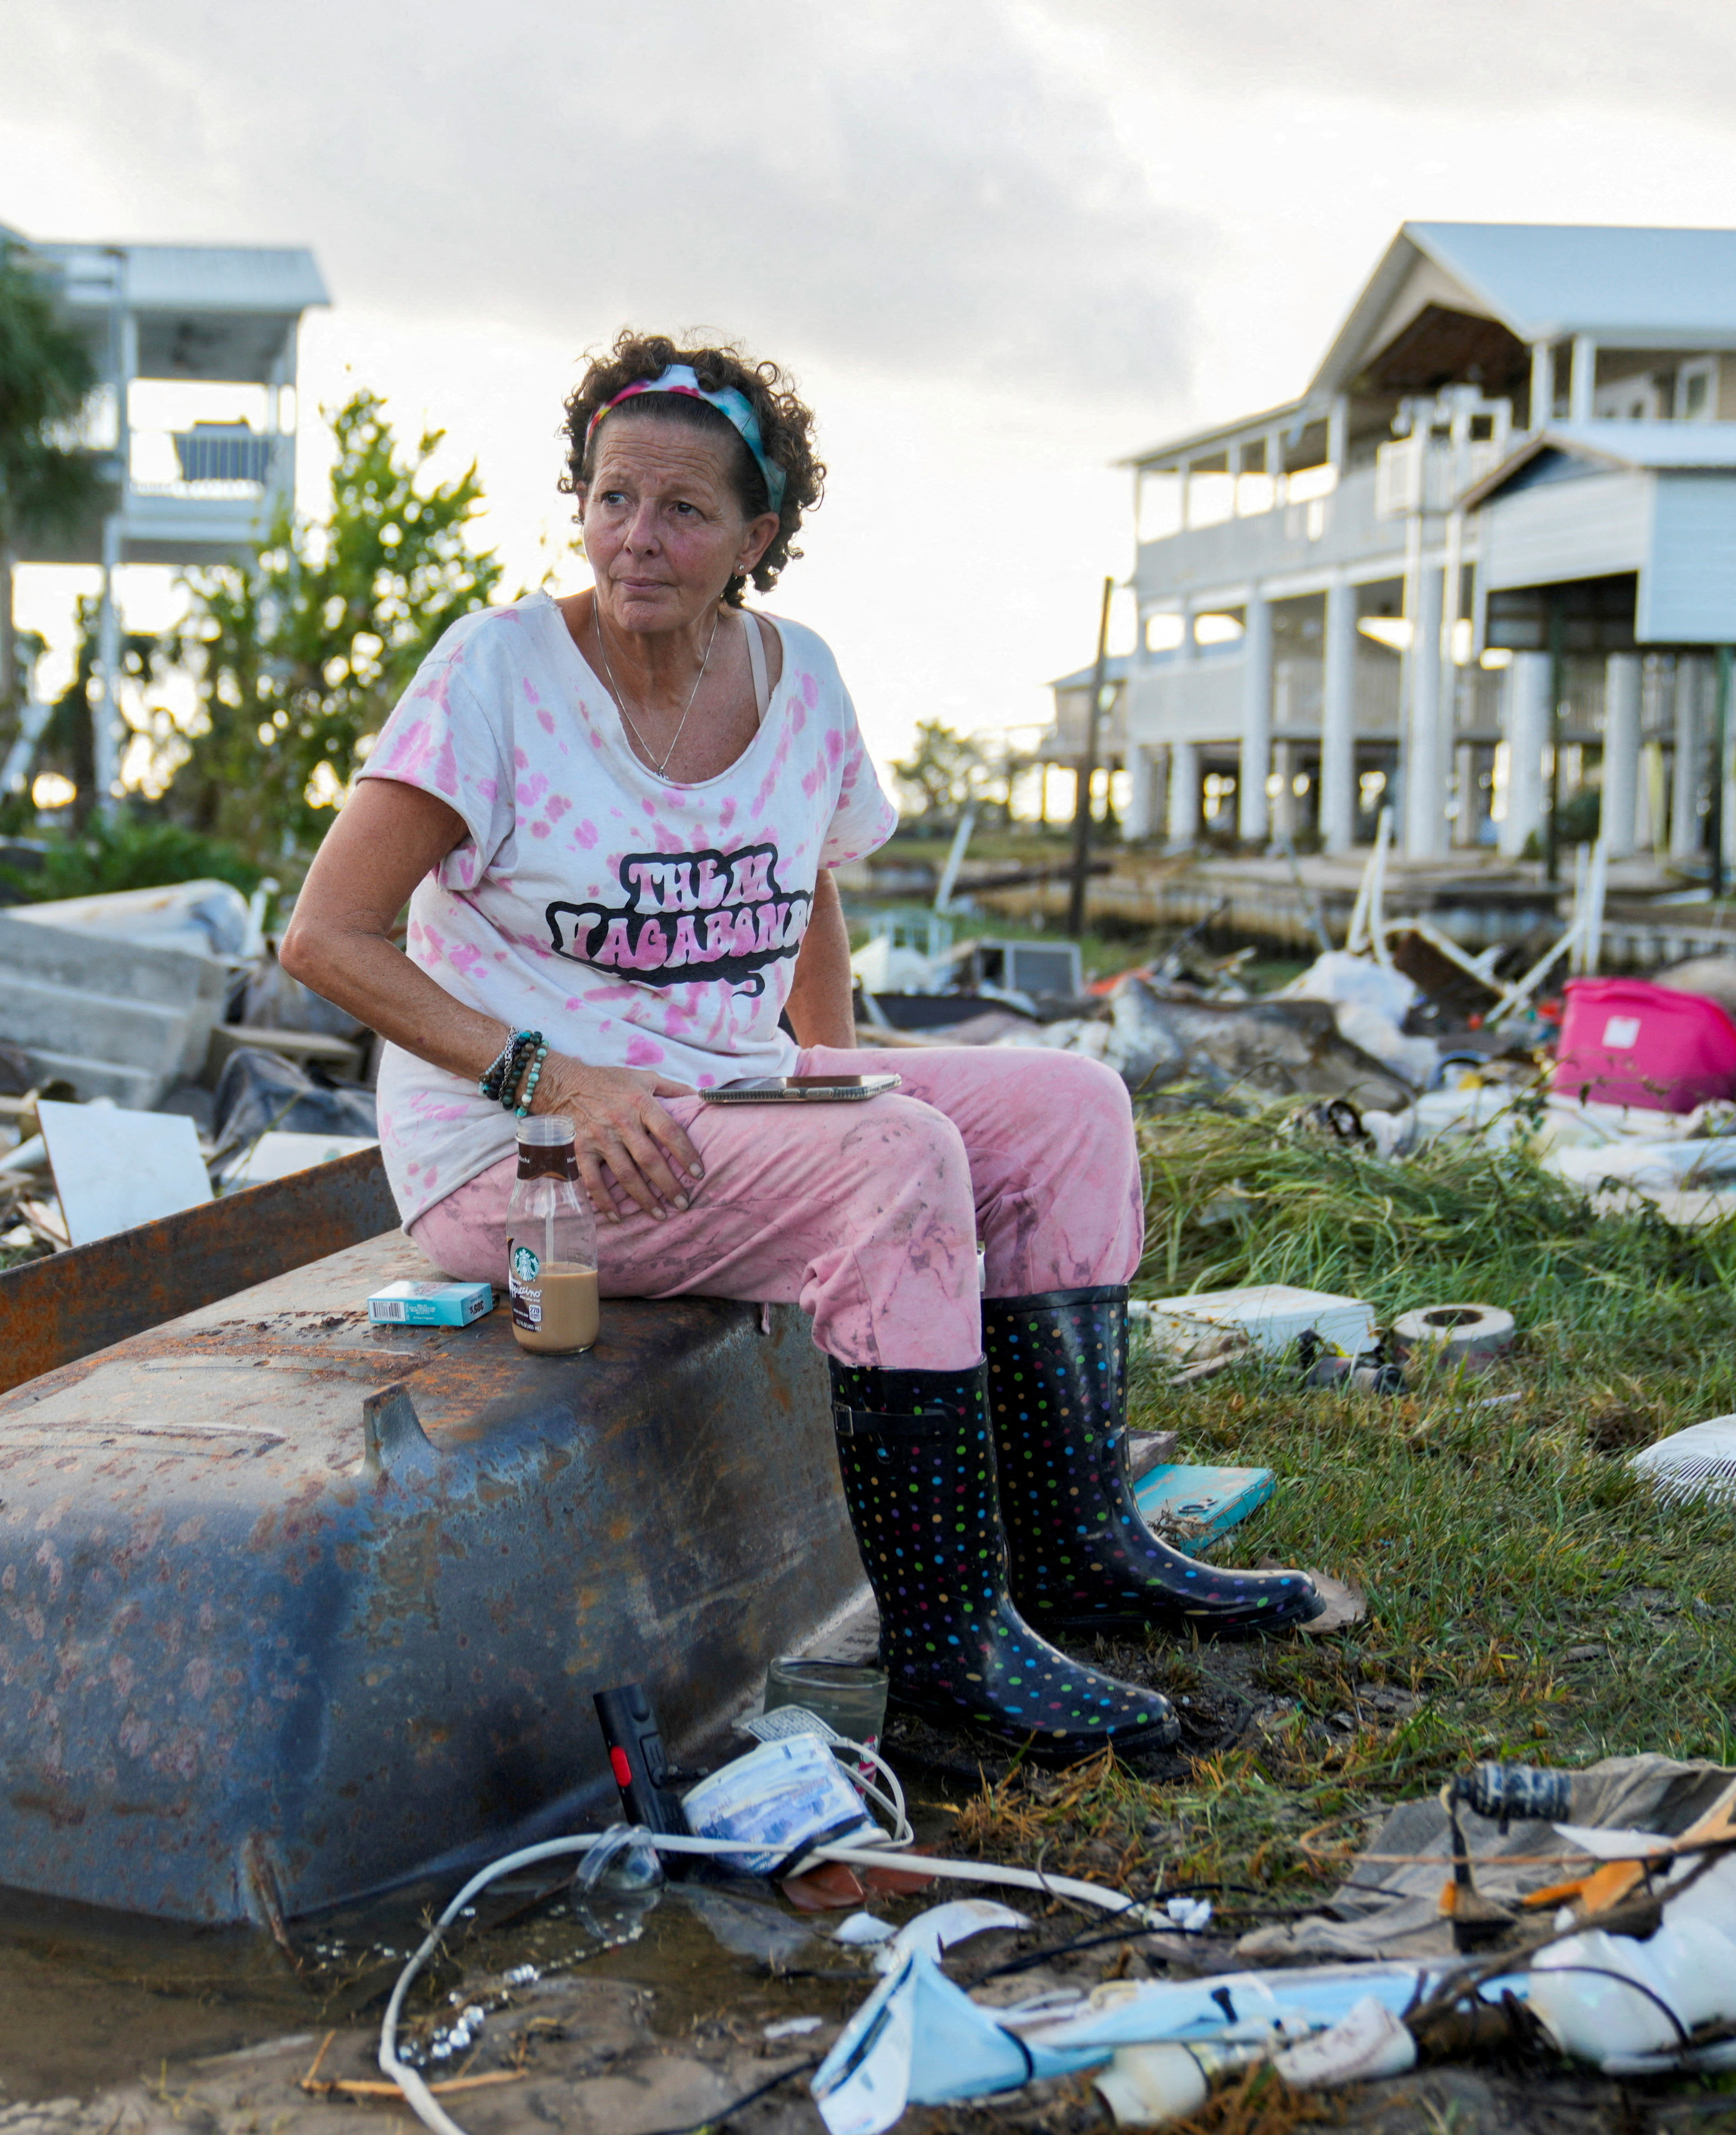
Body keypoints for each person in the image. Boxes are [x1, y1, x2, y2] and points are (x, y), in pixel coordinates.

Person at [279, 332, 1338, 1759]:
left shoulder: (801, 678)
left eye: (682, 510)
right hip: (521, 1153)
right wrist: (558, 1081)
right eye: (607, 498)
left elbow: (810, 884)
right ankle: (950, 1661)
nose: (633, 539)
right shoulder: (495, 676)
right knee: (892, 1161)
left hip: (726, 1094)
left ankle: (1078, 1551)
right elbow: (326, 939)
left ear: (755, 537)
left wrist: (827, 1072)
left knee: (1072, 1100)